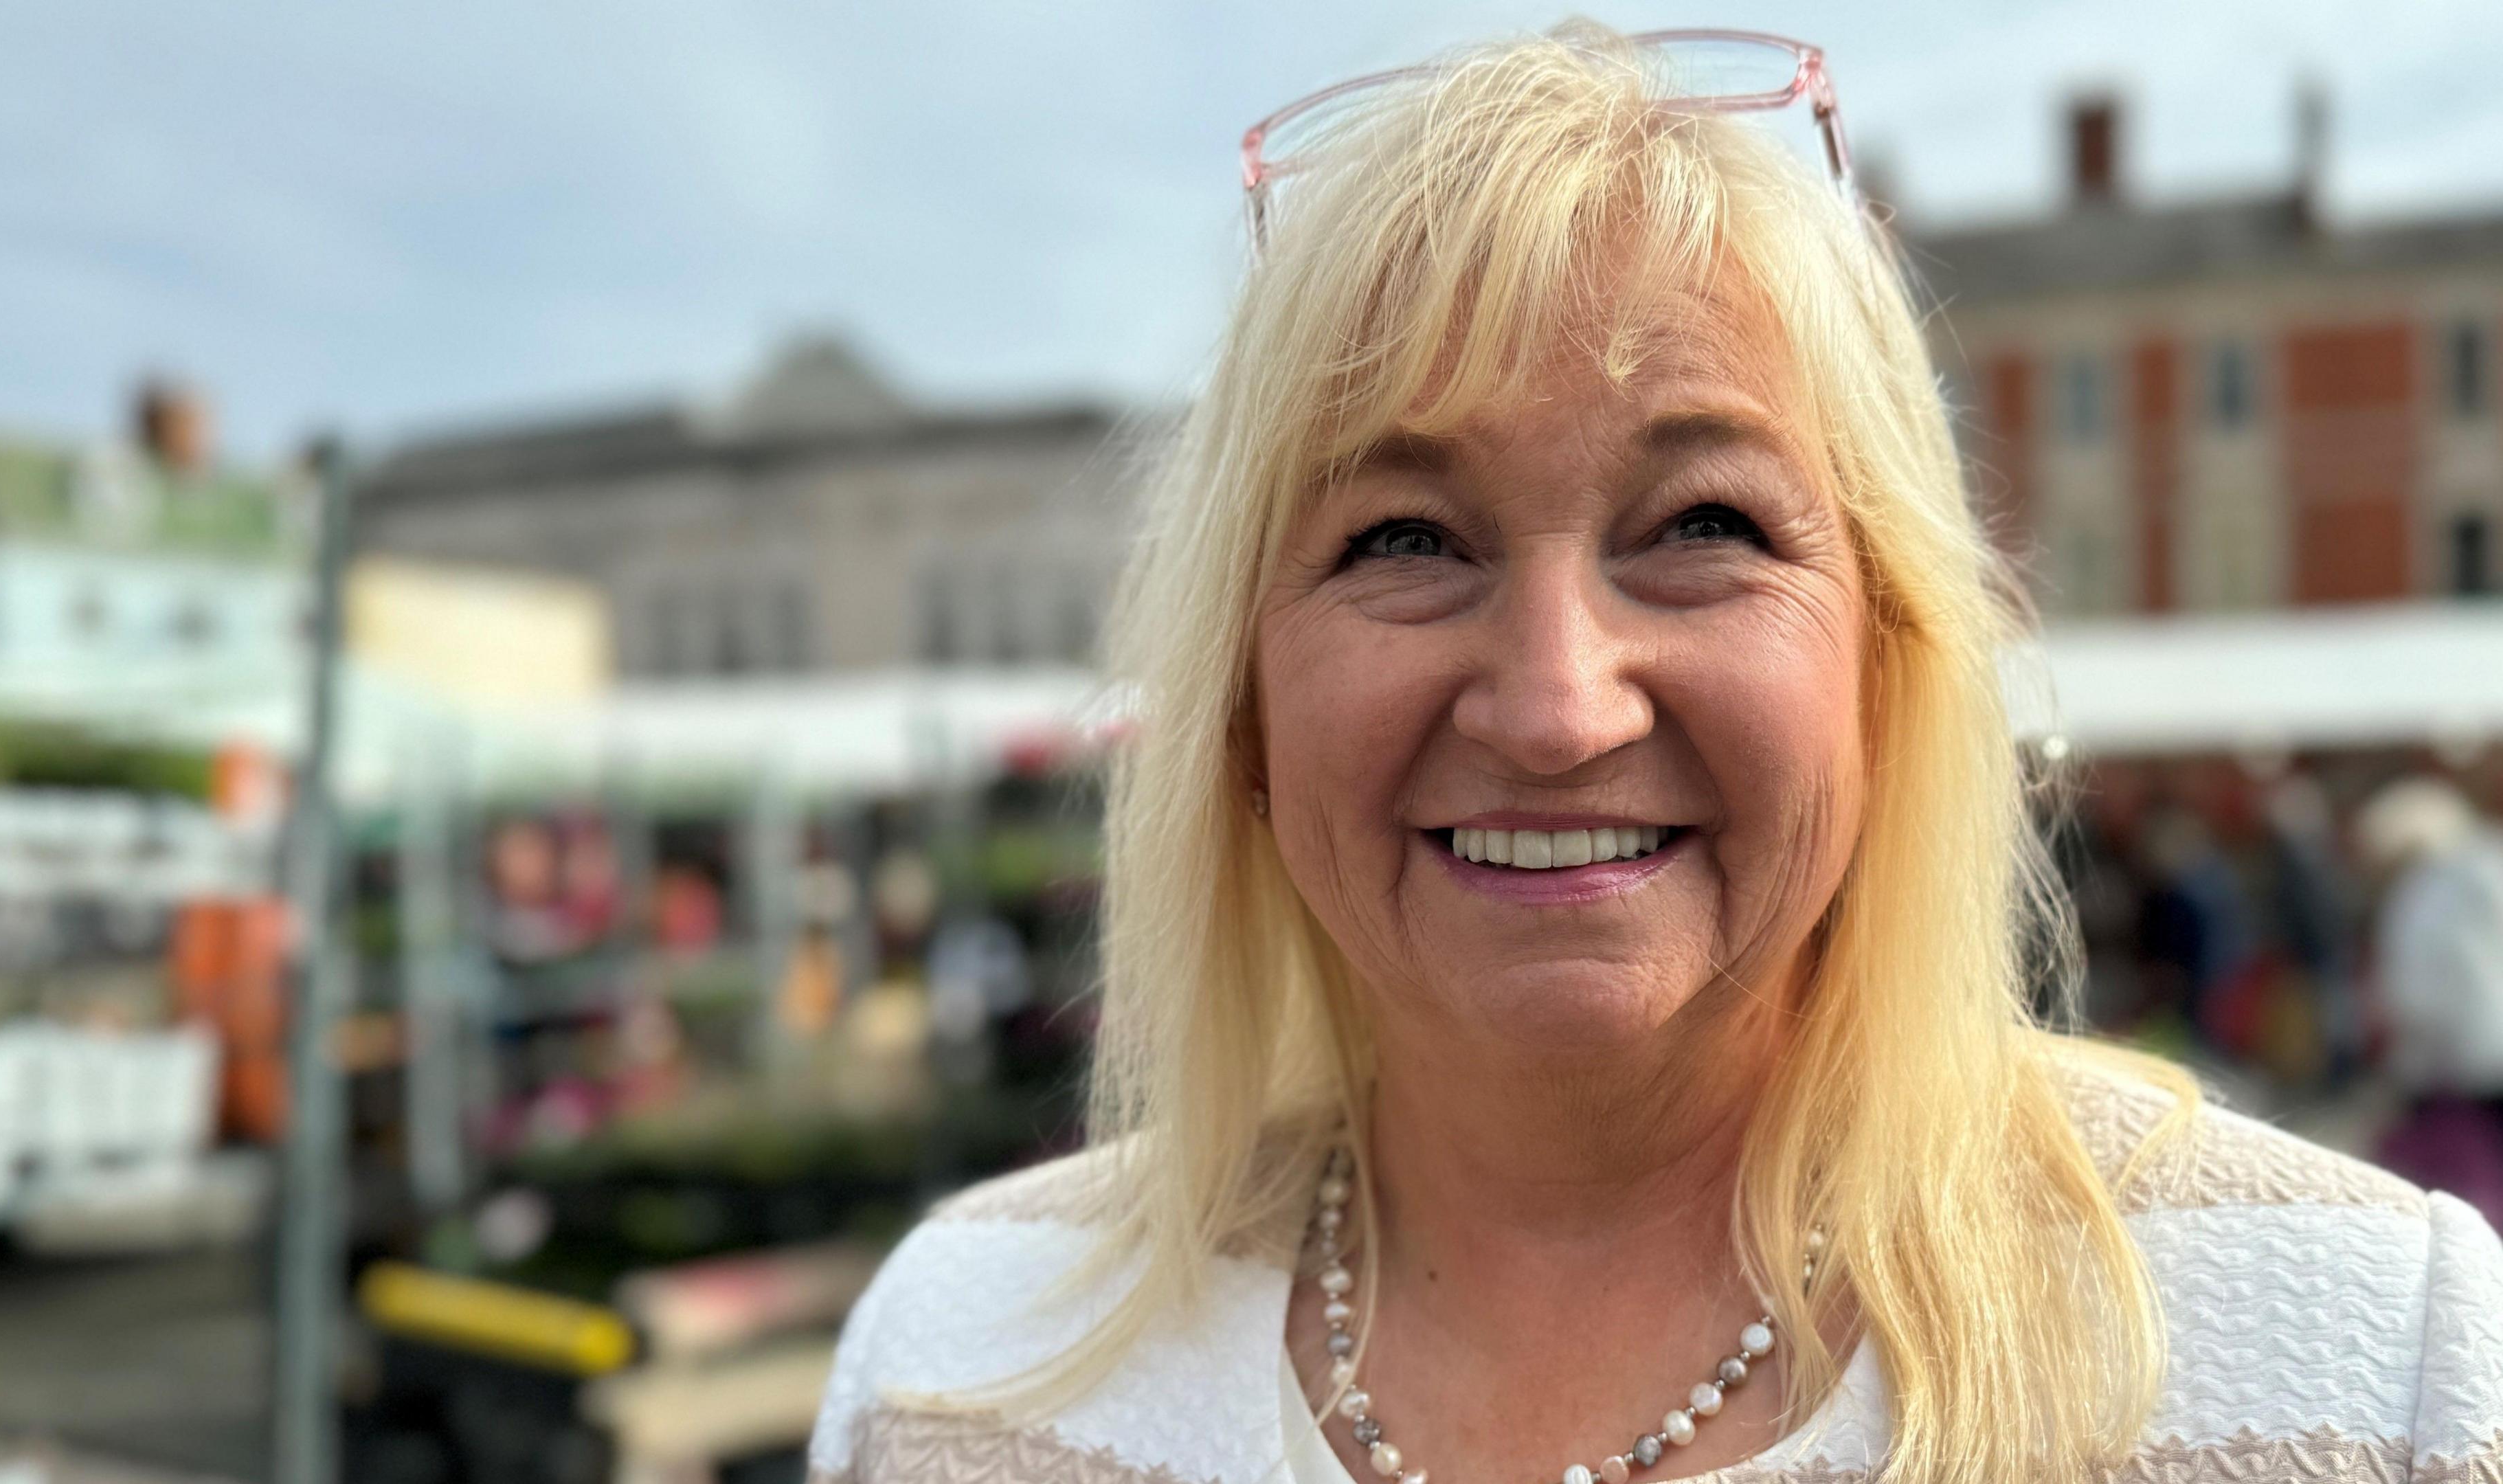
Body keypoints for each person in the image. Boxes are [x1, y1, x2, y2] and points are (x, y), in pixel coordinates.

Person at [813, 25, 2503, 1484]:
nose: (1556, 706)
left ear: (1886, 651)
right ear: (1244, 701)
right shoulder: (957, 1362)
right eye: (1402, 539)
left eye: (1700, 520)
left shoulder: (2369, 1356)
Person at [2361, 776, 2503, 1226]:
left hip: (2454, 1070)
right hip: (2488, 1058)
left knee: (2463, 1198)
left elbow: (2415, 994)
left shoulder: (2424, 892)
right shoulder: (2487, 866)